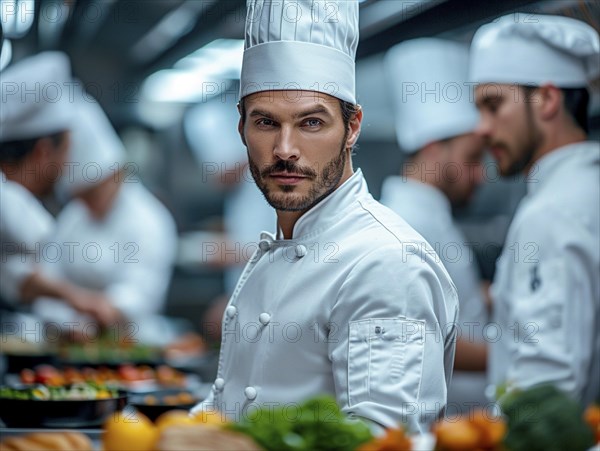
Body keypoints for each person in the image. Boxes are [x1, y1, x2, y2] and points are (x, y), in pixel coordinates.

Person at [191, 0, 459, 433]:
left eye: (311, 123)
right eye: (265, 123)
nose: (284, 149)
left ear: (352, 127)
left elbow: (382, 441)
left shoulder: (385, 263)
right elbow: (228, 408)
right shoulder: (277, 246)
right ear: (240, 128)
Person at [469, 13, 599, 406]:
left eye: (493, 106)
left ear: (547, 100)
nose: (482, 129)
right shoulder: (586, 188)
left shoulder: (552, 213)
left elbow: (543, 388)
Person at [381, 38, 489, 414]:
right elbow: (416, 337)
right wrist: (520, 357)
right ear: (432, 148)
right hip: (441, 422)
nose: (481, 175)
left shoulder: (432, 213)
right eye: (473, 159)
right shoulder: (406, 223)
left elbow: (450, 306)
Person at [32, 95, 178, 343]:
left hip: (132, 343)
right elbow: (47, 277)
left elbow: (142, 292)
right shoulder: (72, 218)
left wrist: (103, 310)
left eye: (93, 193)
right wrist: (68, 319)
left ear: (116, 175)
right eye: (80, 197)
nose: (87, 204)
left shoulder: (149, 219)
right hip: (69, 340)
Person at [0, 52, 108, 321]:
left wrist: (73, 297)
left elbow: (9, 271)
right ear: (43, 152)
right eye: (67, 152)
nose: (67, 166)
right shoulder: (11, 207)